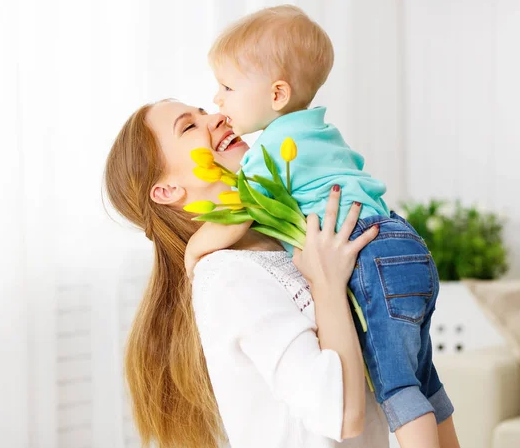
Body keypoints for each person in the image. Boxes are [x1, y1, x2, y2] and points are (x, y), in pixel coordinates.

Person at [185, 5, 461, 448]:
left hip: (365, 253)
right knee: (422, 376)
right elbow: (273, 178)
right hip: (399, 238)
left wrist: (193, 251)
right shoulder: (312, 132)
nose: (218, 100)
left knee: (397, 388)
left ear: (276, 94)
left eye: (227, 87)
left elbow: (244, 209)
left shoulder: (268, 155)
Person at [103, 99, 390, 448]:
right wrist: (326, 284)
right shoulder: (227, 277)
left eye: (204, 111)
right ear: (167, 191)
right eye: (189, 126)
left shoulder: (286, 238)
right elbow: (342, 415)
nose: (218, 117)